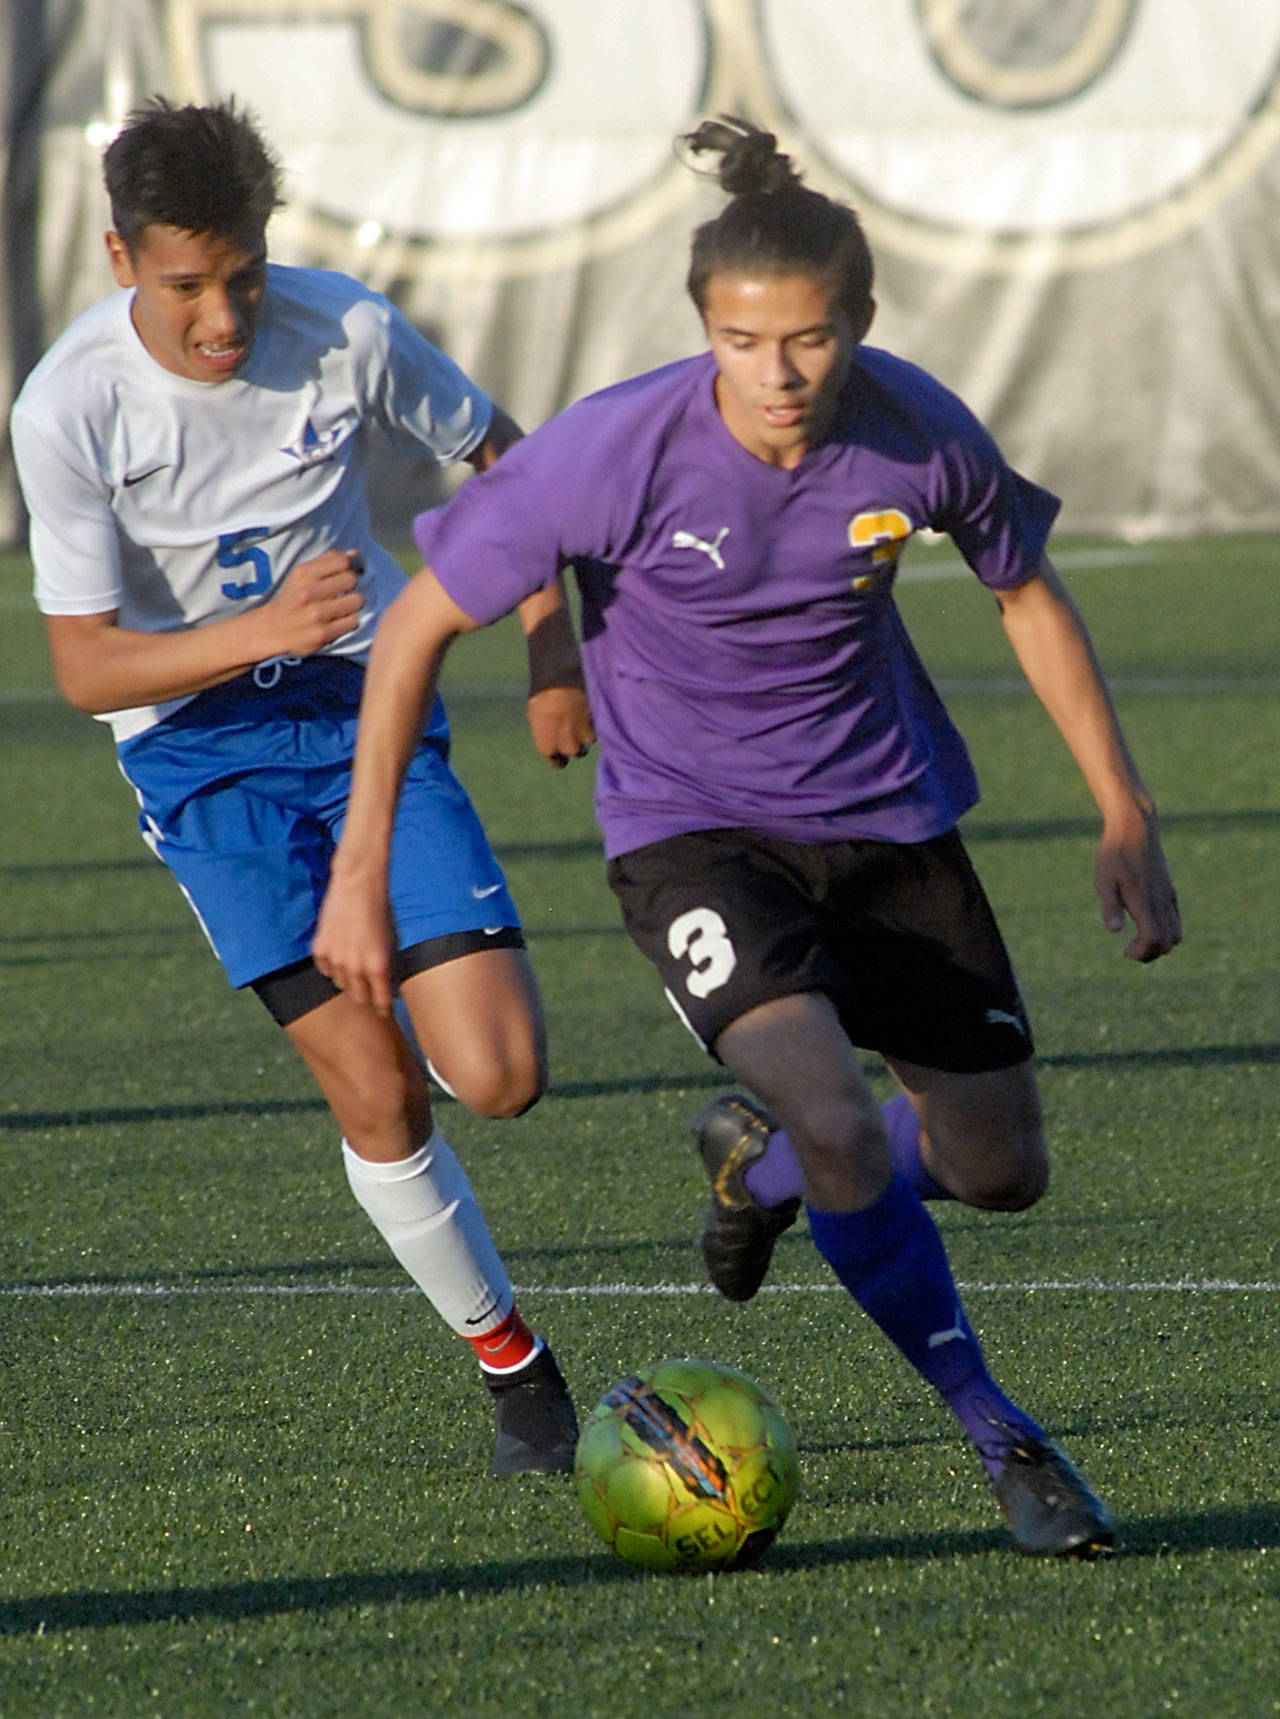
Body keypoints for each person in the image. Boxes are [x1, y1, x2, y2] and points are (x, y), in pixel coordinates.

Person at [312, 117, 1182, 1554]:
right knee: (841, 1117)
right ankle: (1005, 1440)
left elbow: (1025, 593)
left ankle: (755, 1170)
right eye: (741, 339)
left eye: (811, 339)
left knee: (1001, 1168)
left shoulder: (919, 428)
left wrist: (1124, 808)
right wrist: (361, 877)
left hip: (892, 825)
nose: (777, 375)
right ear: (704, 328)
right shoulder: (613, 453)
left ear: (862, 323)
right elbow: (410, 631)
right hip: (695, 838)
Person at [9, 96, 596, 1476]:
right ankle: (516, 1372)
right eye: (185, 286)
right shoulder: (68, 405)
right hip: (200, 761)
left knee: (498, 1078)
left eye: (245, 277)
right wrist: (266, 629)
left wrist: (551, 645)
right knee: (378, 1095)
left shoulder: (346, 329)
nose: (223, 317)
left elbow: (507, 458)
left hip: (363, 710)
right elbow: (88, 669)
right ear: (118, 259)